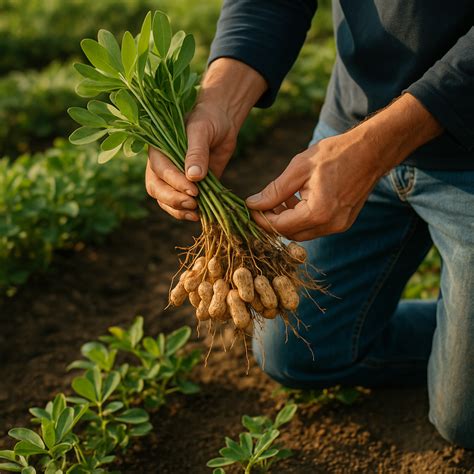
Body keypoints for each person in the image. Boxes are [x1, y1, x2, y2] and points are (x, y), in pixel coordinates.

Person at [145, 1, 474, 448]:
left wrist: (377, 147)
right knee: (294, 351)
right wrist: (218, 100)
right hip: (350, 125)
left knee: (463, 421)